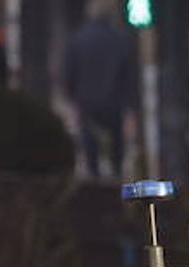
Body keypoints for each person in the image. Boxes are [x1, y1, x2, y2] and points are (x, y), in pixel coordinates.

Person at [61, 0, 137, 179]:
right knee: (116, 145)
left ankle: (95, 179)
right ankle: (116, 175)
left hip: (86, 101)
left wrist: (72, 97)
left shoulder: (77, 39)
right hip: (113, 102)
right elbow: (127, 75)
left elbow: (68, 73)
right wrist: (129, 103)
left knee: (89, 144)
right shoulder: (119, 40)